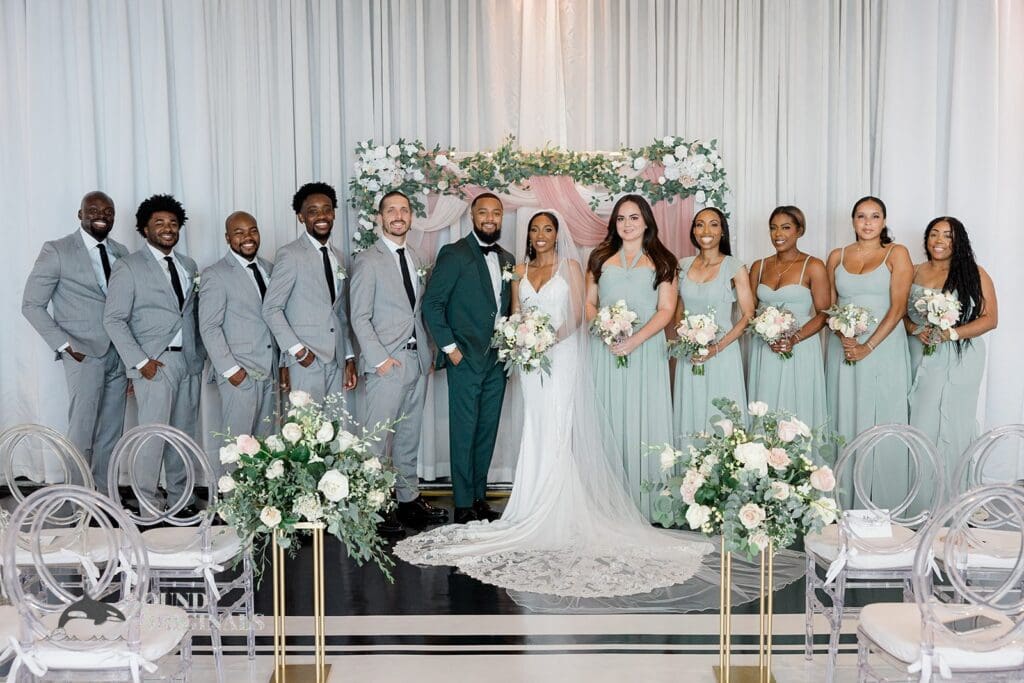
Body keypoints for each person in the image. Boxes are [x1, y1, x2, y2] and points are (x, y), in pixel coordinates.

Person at [394, 210, 711, 598]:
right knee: (536, 425)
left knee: (558, 426)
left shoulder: (572, 267)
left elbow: (578, 316)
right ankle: (529, 504)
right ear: (528, 234)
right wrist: (523, 340)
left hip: (560, 359)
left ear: (557, 235)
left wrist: (547, 339)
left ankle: (559, 506)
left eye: (548, 229)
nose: (541, 234)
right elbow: (514, 314)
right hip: (530, 362)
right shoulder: (519, 269)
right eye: (534, 229)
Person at [350, 191, 448, 531]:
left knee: (409, 435)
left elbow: (420, 312)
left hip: (416, 360)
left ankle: (407, 500)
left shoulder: (418, 258)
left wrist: (429, 353)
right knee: (376, 439)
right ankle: (371, 506)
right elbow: (359, 317)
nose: (398, 215)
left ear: (410, 217)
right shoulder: (368, 260)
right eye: (391, 210)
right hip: (386, 364)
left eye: (404, 210)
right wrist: (380, 361)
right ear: (380, 218)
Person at [103, 194, 205, 511]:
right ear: (144, 229)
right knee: (153, 437)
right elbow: (113, 319)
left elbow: (191, 313)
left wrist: (199, 356)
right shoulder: (128, 267)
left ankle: (179, 499)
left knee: (183, 436)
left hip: (188, 361)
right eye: (159, 223)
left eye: (173, 223)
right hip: (155, 363)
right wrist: (141, 362)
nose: (167, 228)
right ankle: (147, 503)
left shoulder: (188, 265)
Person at [22, 191, 129, 492]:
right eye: (93, 210)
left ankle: (105, 497)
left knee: (111, 431)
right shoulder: (57, 250)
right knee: (81, 430)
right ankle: (76, 499)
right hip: (83, 352)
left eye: (108, 211)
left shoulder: (122, 252)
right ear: (79, 214)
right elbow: (31, 304)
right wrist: (66, 346)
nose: (101, 215)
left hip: (119, 354)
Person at [421, 192, 513, 524]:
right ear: (472, 216)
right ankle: (462, 502)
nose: (490, 218)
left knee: (487, 430)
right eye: (484, 212)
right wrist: (451, 350)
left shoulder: (507, 259)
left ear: (502, 218)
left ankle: (479, 496)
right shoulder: (455, 254)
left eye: (496, 213)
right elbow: (432, 304)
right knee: (464, 430)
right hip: (465, 359)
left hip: (497, 362)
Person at [586, 194, 676, 522]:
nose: (627, 224)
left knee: (643, 417)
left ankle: (646, 503)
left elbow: (666, 311)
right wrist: (605, 328)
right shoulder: (599, 258)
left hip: (646, 350)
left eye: (634, 217)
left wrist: (635, 339)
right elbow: (589, 303)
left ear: (647, 221)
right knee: (608, 419)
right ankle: (607, 504)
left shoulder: (663, 260)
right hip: (606, 349)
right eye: (621, 218)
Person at [825, 196, 913, 509]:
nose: (867, 223)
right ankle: (845, 502)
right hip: (845, 351)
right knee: (845, 415)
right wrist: (844, 335)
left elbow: (898, 307)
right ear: (852, 221)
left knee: (882, 420)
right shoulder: (836, 256)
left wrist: (867, 346)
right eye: (861, 216)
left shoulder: (896, 253)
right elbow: (831, 306)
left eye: (874, 216)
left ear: (884, 221)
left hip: (883, 349)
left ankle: (885, 505)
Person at [906, 216, 997, 487]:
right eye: (934, 234)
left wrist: (950, 333)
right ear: (926, 238)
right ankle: (918, 496)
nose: (940, 241)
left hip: (960, 356)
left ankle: (953, 495)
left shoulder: (974, 272)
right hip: (919, 353)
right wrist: (914, 329)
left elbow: (990, 318)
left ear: (959, 241)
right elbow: (899, 313)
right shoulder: (913, 270)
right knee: (919, 420)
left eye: (947, 235)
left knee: (953, 423)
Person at [262, 182, 357, 403]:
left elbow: (339, 312)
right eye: (312, 211)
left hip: (336, 358)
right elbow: (271, 308)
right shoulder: (290, 254)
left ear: (333, 214)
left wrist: (349, 355)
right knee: (304, 431)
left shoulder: (340, 257)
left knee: (332, 432)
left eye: (326, 209)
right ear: (301, 217)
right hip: (305, 360)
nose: (321, 216)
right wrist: (297, 351)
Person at [673, 207, 754, 446]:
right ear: (693, 231)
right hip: (689, 354)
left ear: (723, 232)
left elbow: (748, 314)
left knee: (722, 418)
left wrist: (717, 347)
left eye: (713, 224)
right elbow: (678, 309)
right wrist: (685, 338)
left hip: (722, 355)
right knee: (692, 411)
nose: (706, 230)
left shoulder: (734, 267)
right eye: (699, 224)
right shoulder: (683, 265)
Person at [198, 211, 278, 447]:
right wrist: (231, 370)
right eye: (239, 232)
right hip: (239, 371)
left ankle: (261, 486)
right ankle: (231, 485)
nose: (247, 237)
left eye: (252, 230)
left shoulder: (269, 268)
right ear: (227, 237)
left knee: (267, 444)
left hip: (269, 369)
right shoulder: (216, 274)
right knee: (238, 445)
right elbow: (209, 326)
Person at [746, 206, 828, 430]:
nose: (778, 234)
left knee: (796, 410)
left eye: (785, 228)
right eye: (773, 228)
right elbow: (750, 311)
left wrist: (794, 338)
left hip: (799, 348)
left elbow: (824, 313)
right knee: (765, 407)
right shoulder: (759, 266)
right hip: (764, 347)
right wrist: (764, 330)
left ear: (799, 231)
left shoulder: (813, 266)